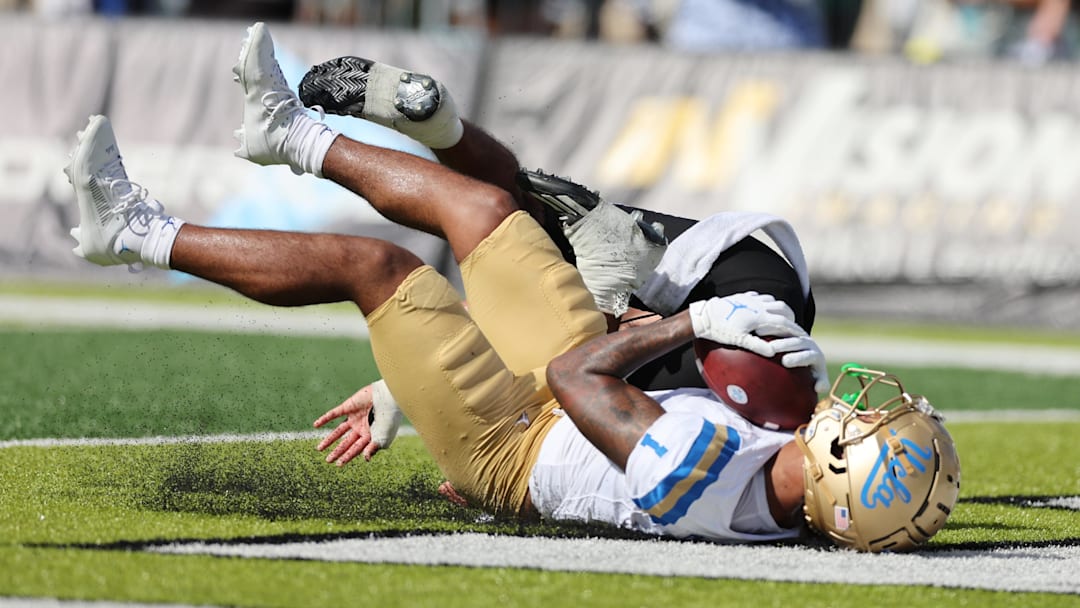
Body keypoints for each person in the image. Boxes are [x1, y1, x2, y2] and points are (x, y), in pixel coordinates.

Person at [65, 22, 959, 551]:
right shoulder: (794, 489)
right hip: (568, 396)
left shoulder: (709, 478)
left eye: (872, 428)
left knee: (373, 268)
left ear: (840, 467)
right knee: (484, 210)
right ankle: (289, 132)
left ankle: (135, 232)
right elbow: (634, 384)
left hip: (513, 443)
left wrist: (696, 318)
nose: (864, 410)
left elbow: (581, 380)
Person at [297, 48, 817, 397]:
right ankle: (302, 142)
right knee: (565, 374)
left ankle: (441, 127)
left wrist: (396, 392)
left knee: (526, 216)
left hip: (759, 275)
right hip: (730, 344)